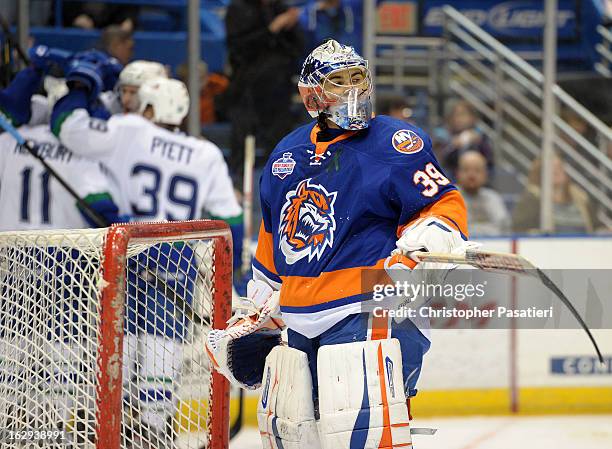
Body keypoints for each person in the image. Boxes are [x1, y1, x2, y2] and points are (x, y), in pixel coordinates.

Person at [207, 40, 471, 449]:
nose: (353, 91)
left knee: (364, 435)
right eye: (338, 82)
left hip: (365, 309)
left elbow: (441, 202)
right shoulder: (287, 154)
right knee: (296, 437)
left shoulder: (395, 142)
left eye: (357, 79)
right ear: (312, 94)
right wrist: (261, 310)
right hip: (298, 320)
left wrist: (423, 245)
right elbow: (273, 238)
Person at [50, 62, 243, 438]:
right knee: (160, 356)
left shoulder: (129, 130)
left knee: (113, 345)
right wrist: (229, 277)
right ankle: (154, 431)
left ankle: (108, 428)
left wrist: (78, 87)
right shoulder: (205, 153)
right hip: (176, 258)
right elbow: (230, 222)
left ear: (150, 108)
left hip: (123, 251)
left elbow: (66, 130)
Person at [225, 0, 303, 180]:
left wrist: (290, 26)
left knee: (280, 149)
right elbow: (239, 48)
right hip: (246, 90)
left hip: (278, 91)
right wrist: (273, 28)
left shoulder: (281, 9)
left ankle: (279, 188)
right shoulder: (238, 9)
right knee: (242, 147)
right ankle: (237, 189)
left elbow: (297, 48)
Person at [512, 155, 600, 234]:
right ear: (539, 173)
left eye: (559, 167)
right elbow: (520, 229)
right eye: (551, 168)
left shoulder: (580, 197)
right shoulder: (532, 198)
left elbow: (596, 226)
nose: (556, 171)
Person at [456, 151, 510, 236]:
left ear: (485, 174)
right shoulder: (450, 196)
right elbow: (454, 229)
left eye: (477, 170)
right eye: (466, 170)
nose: (471, 175)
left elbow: (503, 227)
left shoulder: (493, 197)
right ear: (458, 173)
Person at [439, 100, 494, 176]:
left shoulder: (481, 137)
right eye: (455, 115)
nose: (459, 119)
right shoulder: (444, 137)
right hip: (452, 180)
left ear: (472, 118)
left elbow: (489, 161)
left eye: (463, 115)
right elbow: (441, 162)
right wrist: (453, 146)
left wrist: (479, 142)